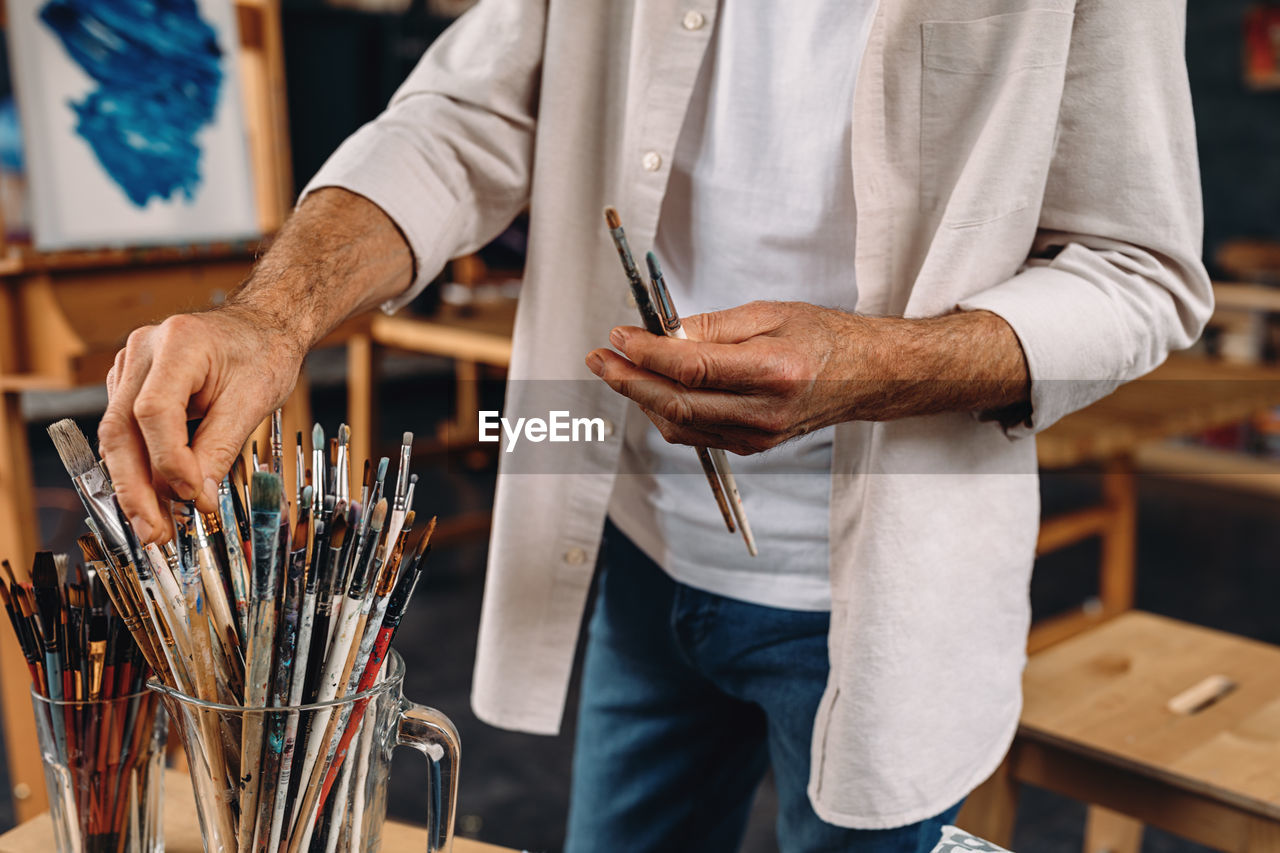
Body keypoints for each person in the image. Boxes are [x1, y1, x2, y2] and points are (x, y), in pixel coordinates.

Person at [99, 1, 1212, 850]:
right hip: (630, 542)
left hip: (886, 596)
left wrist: (873, 365)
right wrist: (269, 317)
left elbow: (1141, 275)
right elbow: (459, 121)